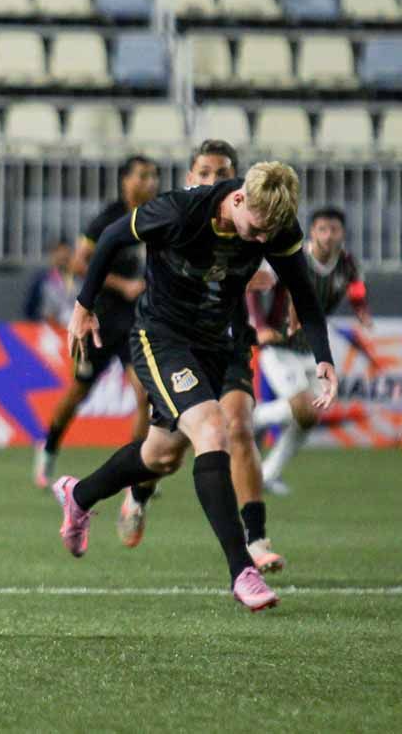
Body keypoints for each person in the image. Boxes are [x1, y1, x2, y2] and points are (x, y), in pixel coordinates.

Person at [54, 161, 338, 611]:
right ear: (239, 199)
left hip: (213, 343)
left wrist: (324, 357)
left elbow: (303, 292)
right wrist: (82, 307)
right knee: (212, 429)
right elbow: (111, 237)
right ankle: (242, 569)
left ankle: (78, 495)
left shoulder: (274, 225)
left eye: (268, 235)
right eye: (256, 230)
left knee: (161, 456)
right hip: (160, 336)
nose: (260, 241)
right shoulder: (180, 211)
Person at [114, 140, 288, 573]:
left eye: (222, 173)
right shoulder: (183, 218)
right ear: (190, 178)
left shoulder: (250, 221)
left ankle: (255, 538)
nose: (213, 180)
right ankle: (138, 492)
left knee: (238, 426)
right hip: (181, 343)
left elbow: (279, 270)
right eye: (204, 173)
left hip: (229, 341)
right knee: (168, 453)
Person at [32, 156, 159, 488]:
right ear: (125, 181)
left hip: (137, 321)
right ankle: (48, 450)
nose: (150, 182)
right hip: (100, 321)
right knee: (77, 392)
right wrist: (123, 285)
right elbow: (78, 264)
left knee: (144, 395)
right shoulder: (107, 220)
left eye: (153, 176)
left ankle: (136, 472)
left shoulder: (158, 217)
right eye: (143, 176)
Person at [249, 206, 372, 495]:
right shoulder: (292, 258)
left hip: (311, 350)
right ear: (312, 232)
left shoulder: (348, 264)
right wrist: (259, 325)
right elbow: (253, 288)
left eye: (334, 230)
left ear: (343, 233)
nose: (328, 236)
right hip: (279, 347)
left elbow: (356, 289)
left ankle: (267, 474)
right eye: (322, 229)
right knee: (302, 407)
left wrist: (361, 310)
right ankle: (244, 420)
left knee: (310, 416)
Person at [23, 240, 75, 327]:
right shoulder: (42, 280)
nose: (63, 260)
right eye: (60, 257)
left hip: (71, 328)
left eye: (66, 258)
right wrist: (40, 320)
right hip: (47, 328)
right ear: (53, 256)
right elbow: (30, 308)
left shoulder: (77, 279)